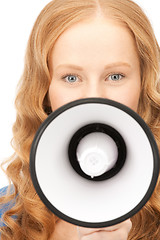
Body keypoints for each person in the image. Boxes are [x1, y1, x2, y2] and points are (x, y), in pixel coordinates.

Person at [0, 0, 160, 239]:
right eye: (71, 78)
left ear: (144, 83)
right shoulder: (7, 216)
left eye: (115, 76)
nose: (94, 97)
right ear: (44, 89)